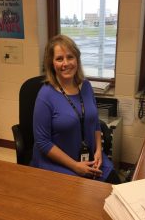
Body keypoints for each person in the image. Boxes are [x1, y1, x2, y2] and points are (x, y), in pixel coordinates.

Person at [30, 34, 120, 184]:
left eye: (70, 57)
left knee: (116, 188)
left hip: (90, 157)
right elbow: (43, 142)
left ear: (77, 59)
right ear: (52, 64)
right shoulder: (45, 95)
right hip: (59, 164)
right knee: (84, 201)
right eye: (59, 59)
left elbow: (95, 123)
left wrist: (98, 151)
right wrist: (75, 166)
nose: (66, 63)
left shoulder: (86, 86)